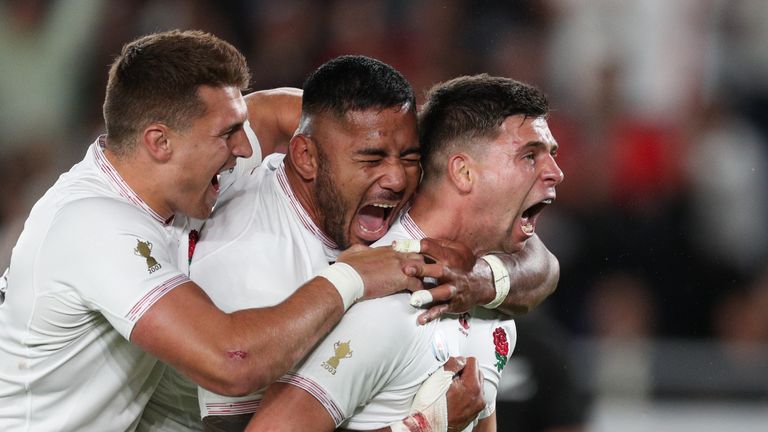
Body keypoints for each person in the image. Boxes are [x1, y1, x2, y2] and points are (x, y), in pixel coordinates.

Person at [0, 30, 450, 431]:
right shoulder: (96, 226)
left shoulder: (177, 173)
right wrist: (353, 277)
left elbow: (273, 113)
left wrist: (377, 138)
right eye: (229, 133)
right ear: (160, 142)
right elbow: (231, 361)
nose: (243, 145)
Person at [187, 58, 561, 432]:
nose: (397, 178)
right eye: (372, 158)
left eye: (410, 157)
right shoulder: (254, 268)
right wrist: (423, 426)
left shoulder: (466, 273)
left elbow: (541, 265)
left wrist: (482, 280)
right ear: (307, 158)